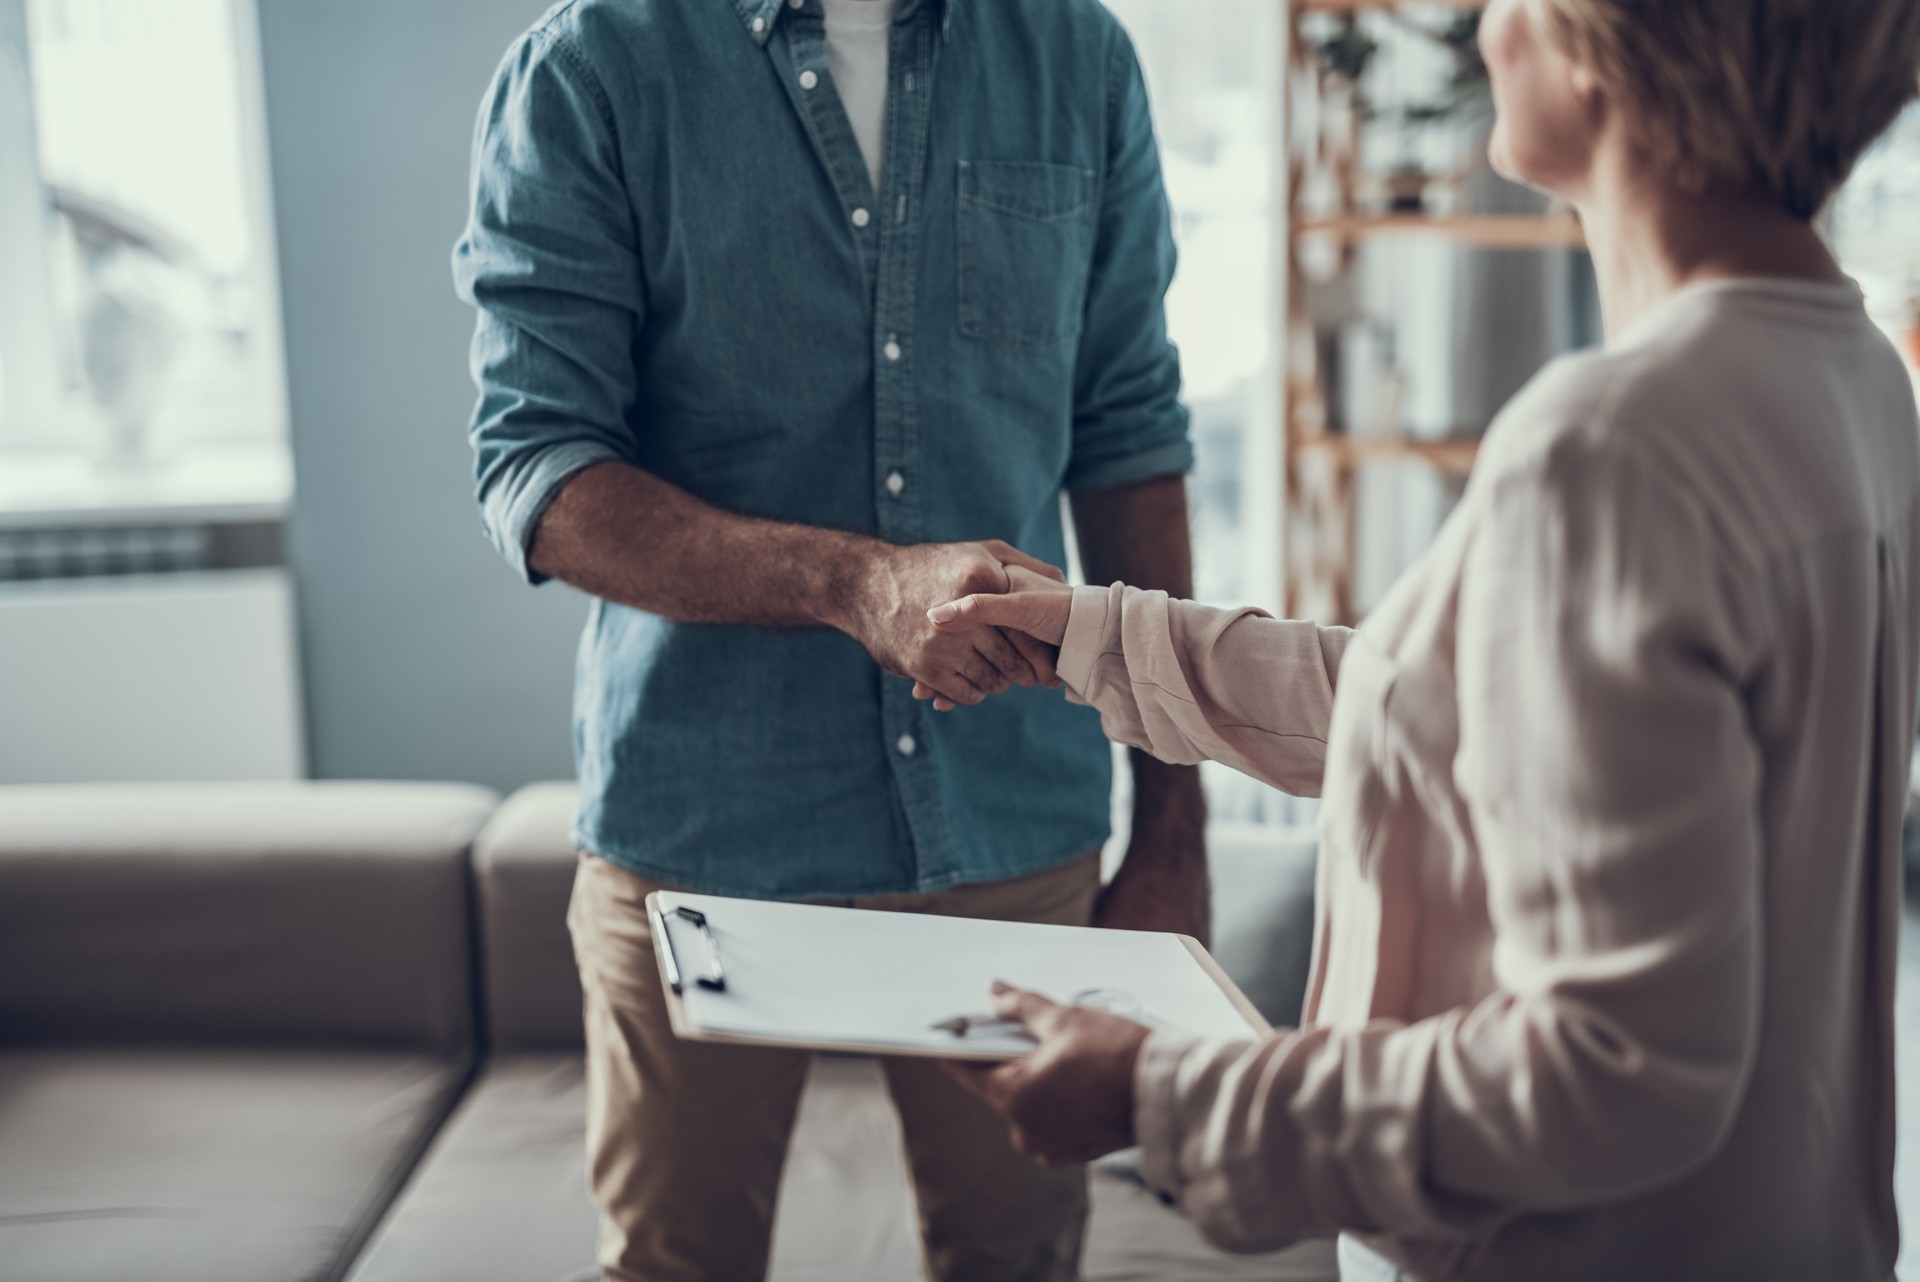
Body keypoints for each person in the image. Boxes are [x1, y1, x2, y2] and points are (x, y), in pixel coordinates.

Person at [924, 1, 1920, 1278]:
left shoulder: (1614, 448)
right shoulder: (1848, 372)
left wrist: (1164, 1096)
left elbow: (1620, 1066)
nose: (1485, 29)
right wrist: (1096, 638)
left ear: (1604, 45)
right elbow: (1476, 721)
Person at [451, 0, 1207, 1278]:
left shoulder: (1078, 55)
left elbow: (1128, 428)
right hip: (698, 838)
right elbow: (539, 469)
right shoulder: (592, 65)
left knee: (1019, 1264)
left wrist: (1174, 826)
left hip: (1013, 818)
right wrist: (858, 585)